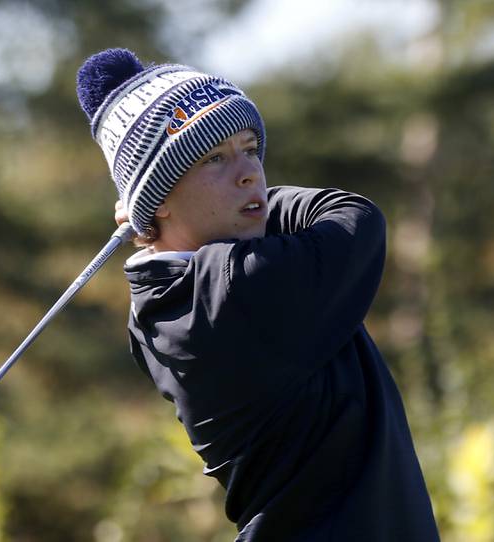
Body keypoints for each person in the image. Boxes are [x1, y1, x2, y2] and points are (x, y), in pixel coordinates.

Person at [76, 48, 440, 541]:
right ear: (158, 197)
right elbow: (354, 218)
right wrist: (255, 204)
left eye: (249, 149)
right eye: (215, 158)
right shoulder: (230, 293)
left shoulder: (159, 304)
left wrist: (184, 207)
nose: (250, 173)